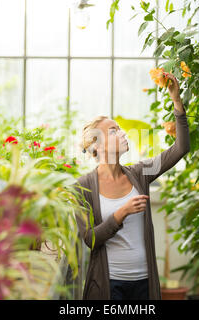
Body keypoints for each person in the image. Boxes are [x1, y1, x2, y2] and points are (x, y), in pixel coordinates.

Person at [72, 72, 190, 300]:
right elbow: (90, 239)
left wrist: (177, 101)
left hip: (144, 284)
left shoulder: (140, 173)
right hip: (109, 285)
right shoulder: (83, 187)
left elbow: (181, 148)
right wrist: (121, 213)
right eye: (113, 131)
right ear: (97, 146)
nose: (123, 133)